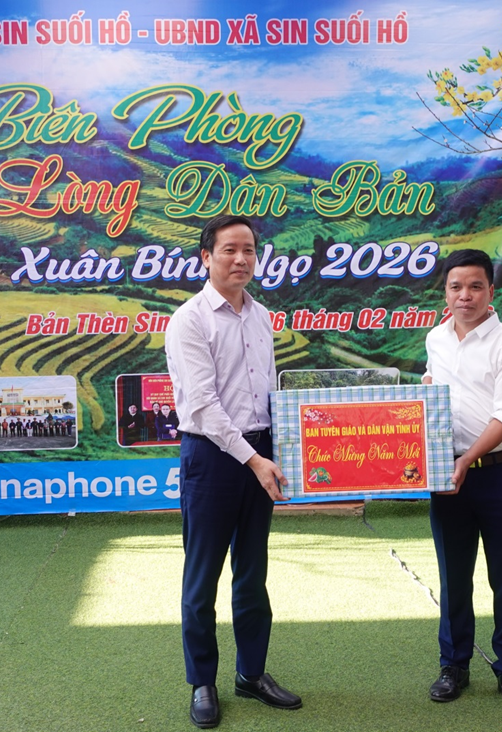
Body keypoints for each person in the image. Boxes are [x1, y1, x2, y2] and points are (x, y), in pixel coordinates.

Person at [165, 213, 301, 729]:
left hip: (260, 454)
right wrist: (254, 459)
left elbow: (266, 393)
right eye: (229, 250)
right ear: (206, 257)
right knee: (202, 578)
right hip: (212, 458)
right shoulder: (191, 320)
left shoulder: (260, 316)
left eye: (249, 250)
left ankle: (251, 673)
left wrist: (281, 450)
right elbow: (202, 405)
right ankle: (202, 681)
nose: (241, 259)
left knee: (252, 572)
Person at [422, 249, 502, 714]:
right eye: (456, 287)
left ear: (492, 291)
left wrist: (468, 458)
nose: (465, 296)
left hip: (499, 473)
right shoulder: (435, 338)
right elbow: (433, 392)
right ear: (445, 292)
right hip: (446, 473)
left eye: (475, 287)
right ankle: (454, 664)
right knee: (453, 575)